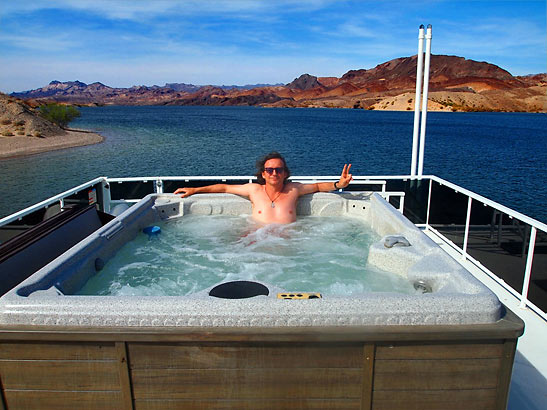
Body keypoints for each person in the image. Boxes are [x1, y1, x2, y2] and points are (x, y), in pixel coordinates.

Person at [174, 152, 353, 224]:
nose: (274, 172)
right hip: (257, 239)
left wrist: (339, 185)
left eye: (278, 169)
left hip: (289, 241)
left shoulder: (294, 189)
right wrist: (194, 190)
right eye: (269, 169)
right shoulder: (254, 190)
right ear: (263, 174)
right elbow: (224, 188)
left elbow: (318, 186)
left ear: (285, 173)